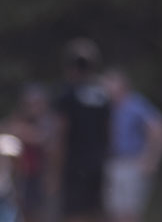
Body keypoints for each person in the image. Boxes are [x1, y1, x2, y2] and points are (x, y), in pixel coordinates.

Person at [49, 39, 111, 222]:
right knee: (95, 213)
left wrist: (53, 172)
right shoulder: (103, 95)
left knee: (73, 214)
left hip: (73, 165)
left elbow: (60, 133)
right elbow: (109, 131)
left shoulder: (67, 94)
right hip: (98, 164)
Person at [100, 69, 162, 222]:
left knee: (129, 213)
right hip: (113, 162)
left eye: (108, 84)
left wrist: (151, 159)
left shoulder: (135, 105)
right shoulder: (109, 108)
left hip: (132, 164)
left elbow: (159, 129)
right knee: (113, 212)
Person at [1, 85, 56, 222]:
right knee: (21, 211)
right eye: (29, 103)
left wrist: (22, 132)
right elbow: (4, 131)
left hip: (41, 174)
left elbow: (43, 139)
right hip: (22, 175)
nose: (32, 107)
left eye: (36, 103)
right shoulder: (19, 118)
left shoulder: (48, 120)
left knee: (41, 212)